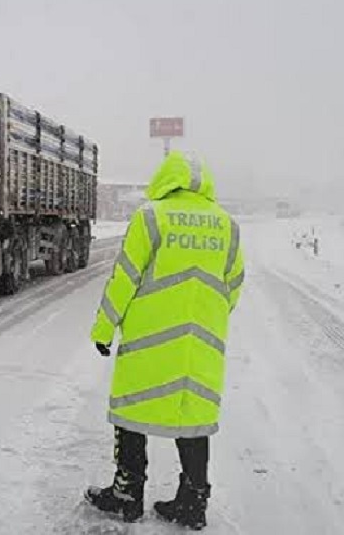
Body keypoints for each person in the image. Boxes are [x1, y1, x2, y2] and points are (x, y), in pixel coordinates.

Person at [84, 150, 245, 529]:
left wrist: (104, 329)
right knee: (193, 421)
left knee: (133, 412)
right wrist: (207, 318)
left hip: (148, 341)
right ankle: (193, 501)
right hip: (199, 346)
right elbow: (233, 284)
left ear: (165, 180)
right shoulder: (226, 224)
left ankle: (127, 493)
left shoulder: (151, 217)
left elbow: (124, 277)